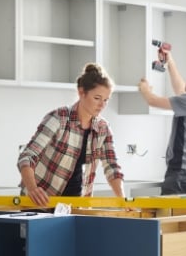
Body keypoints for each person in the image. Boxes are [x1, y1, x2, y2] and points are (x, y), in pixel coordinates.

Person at [17, 63, 125, 206]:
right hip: (40, 203)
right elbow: (27, 156)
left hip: (75, 206)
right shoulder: (59, 118)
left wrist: (123, 201)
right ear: (81, 92)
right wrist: (33, 189)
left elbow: (112, 168)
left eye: (106, 100)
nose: (102, 105)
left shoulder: (103, 128)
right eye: (97, 98)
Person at [138, 50, 186, 195]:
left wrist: (144, 88)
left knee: (168, 217)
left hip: (182, 175)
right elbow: (180, 90)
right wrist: (170, 62)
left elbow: (152, 101)